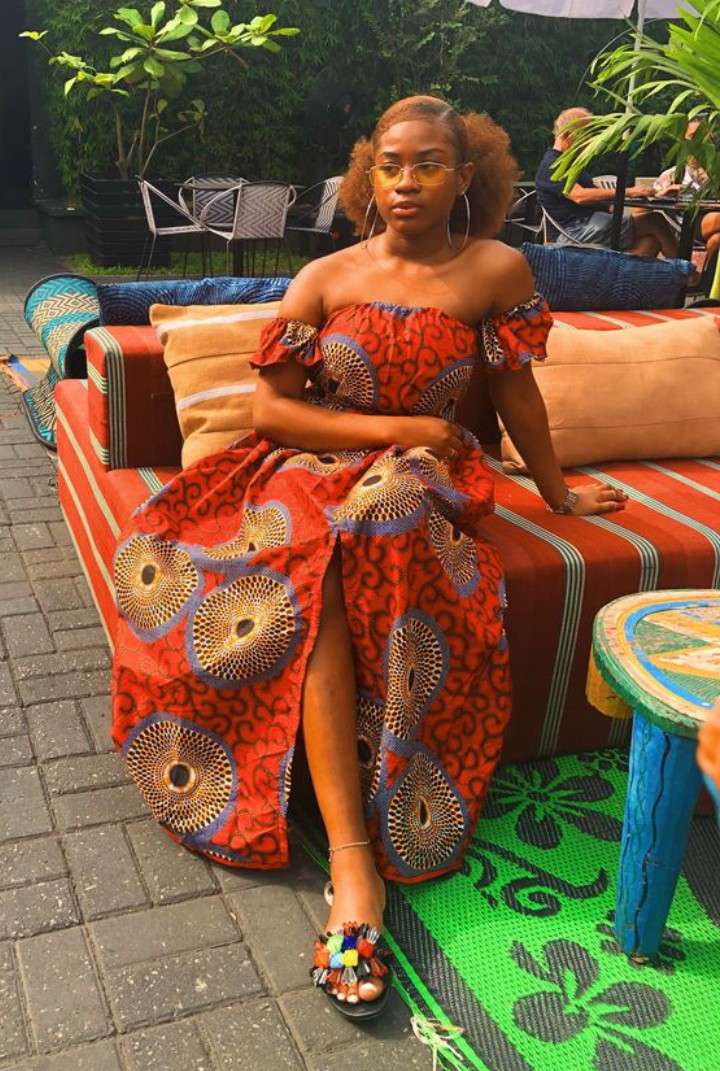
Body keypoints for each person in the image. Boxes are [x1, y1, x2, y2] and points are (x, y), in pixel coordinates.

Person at [111, 94, 627, 1022]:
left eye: (428, 164)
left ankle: (355, 849)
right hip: (309, 465)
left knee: (376, 515)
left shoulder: (496, 270)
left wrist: (559, 495)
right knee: (324, 544)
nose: (405, 182)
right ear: (367, 175)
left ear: (465, 177)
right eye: (390, 165)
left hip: (421, 479)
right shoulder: (327, 274)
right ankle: (355, 863)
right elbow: (273, 411)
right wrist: (397, 427)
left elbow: (517, 396)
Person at [535, 107, 678, 258]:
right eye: (586, 136)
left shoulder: (572, 165)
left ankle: (618, 271)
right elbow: (580, 196)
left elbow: (608, 204)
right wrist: (629, 191)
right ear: (566, 136)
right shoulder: (553, 165)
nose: (591, 142)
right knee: (655, 222)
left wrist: (655, 196)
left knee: (650, 241)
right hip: (572, 233)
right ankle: (686, 271)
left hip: (592, 224)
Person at [653, 118, 720, 266]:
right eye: (693, 136)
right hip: (688, 225)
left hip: (711, 222)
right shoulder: (674, 174)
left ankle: (706, 276)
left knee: (716, 239)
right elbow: (647, 201)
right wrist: (664, 193)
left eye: (703, 136)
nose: (698, 141)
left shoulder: (716, 170)